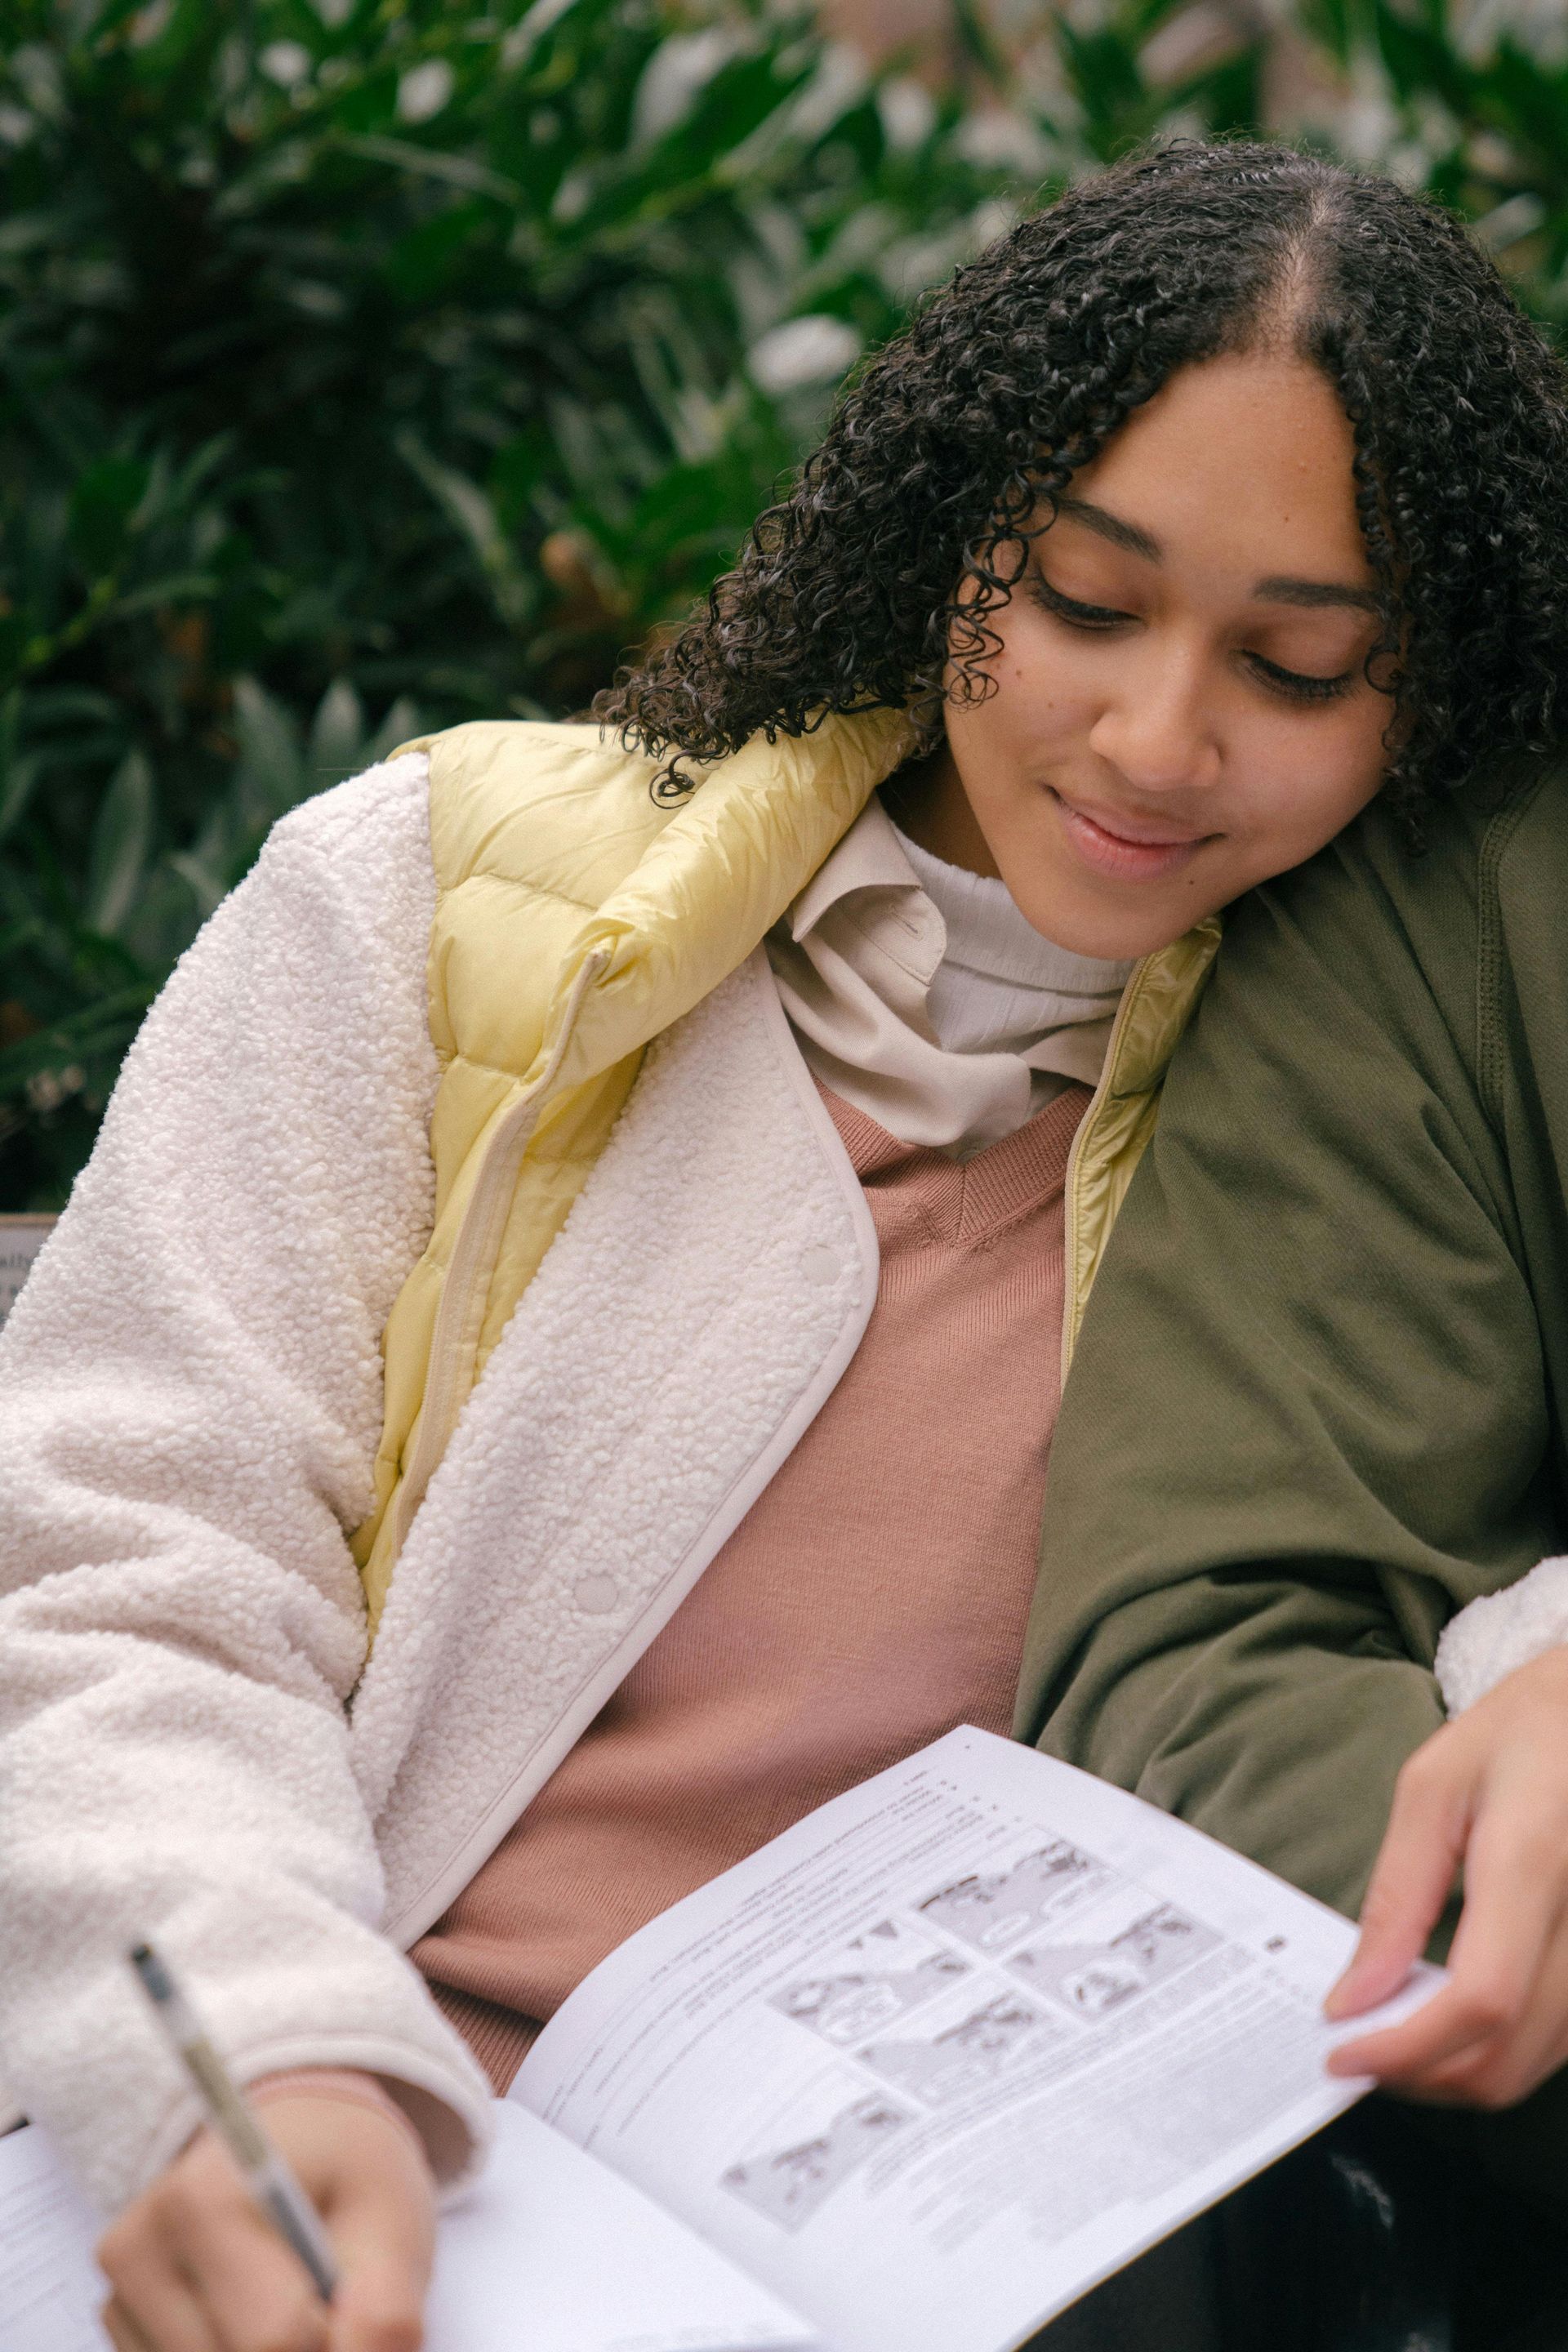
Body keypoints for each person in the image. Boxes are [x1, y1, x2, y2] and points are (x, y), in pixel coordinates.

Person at [2, 139, 1565, 2352]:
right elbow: (114, 1568)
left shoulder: (1396, 1127)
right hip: (341, 2189)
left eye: (1298, 667)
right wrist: (249, 2053)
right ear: (953, 531)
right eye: (1088, 604)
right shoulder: (453, 896)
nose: (1154, 737)